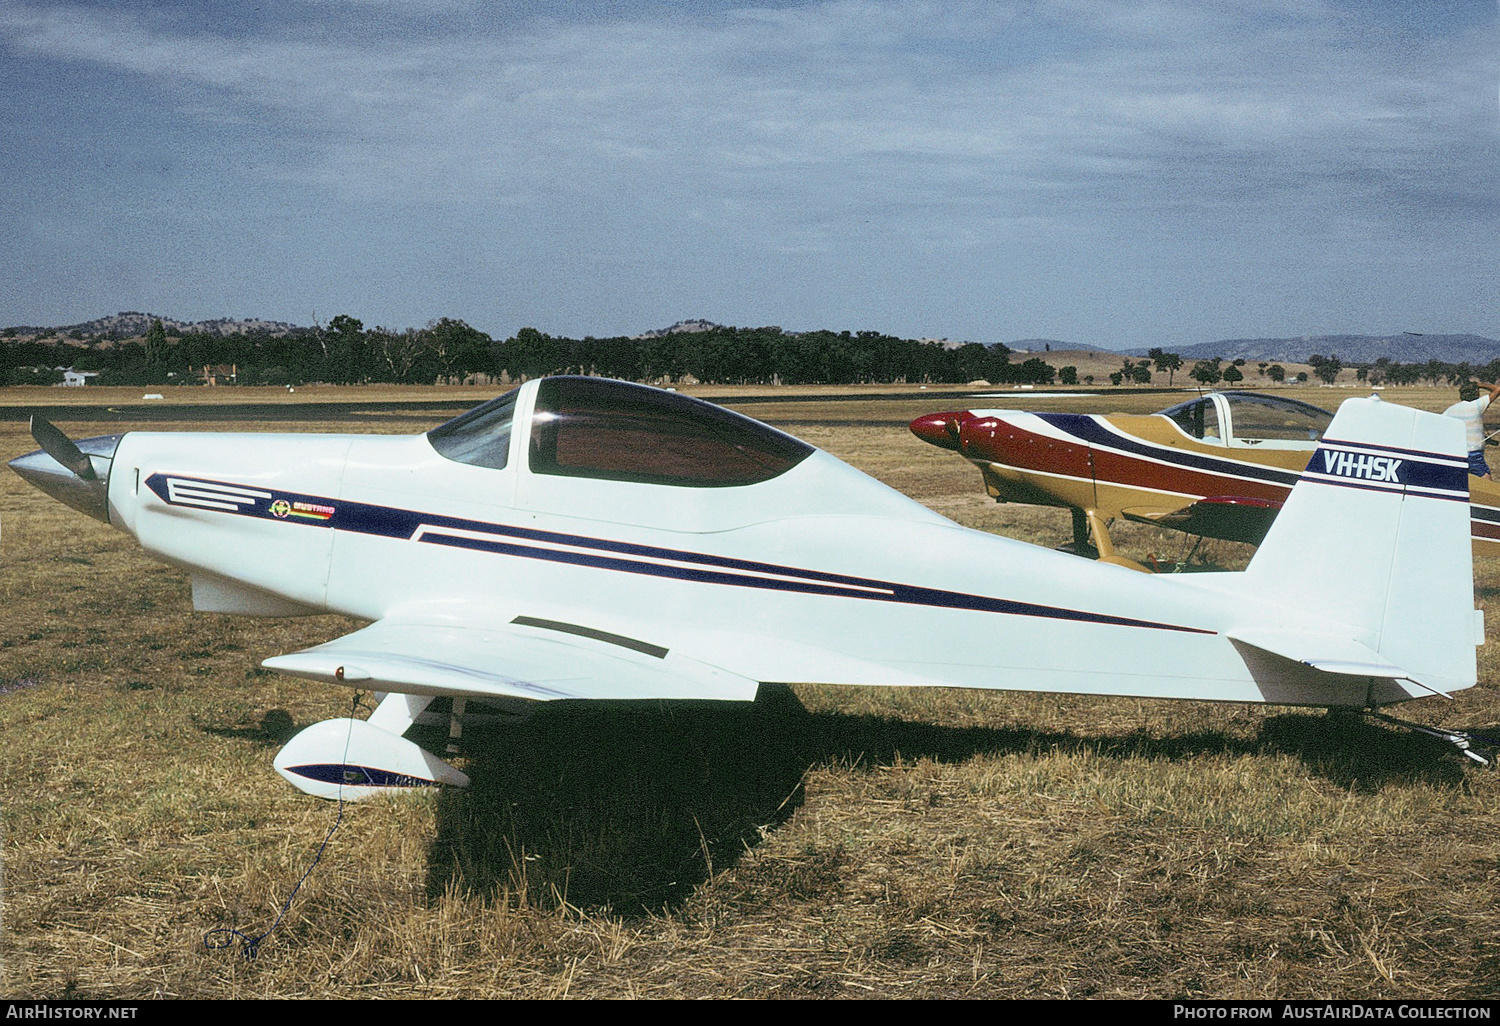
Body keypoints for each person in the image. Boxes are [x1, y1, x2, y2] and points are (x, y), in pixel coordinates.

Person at [1443, 380, 1500, 478]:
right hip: (1474, 455)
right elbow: (1497, 389)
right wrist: (1479, 384)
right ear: (1476, 394)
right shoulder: (1477, 405)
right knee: (1486, 480)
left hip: (1457, 453)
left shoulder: (1451, 410)